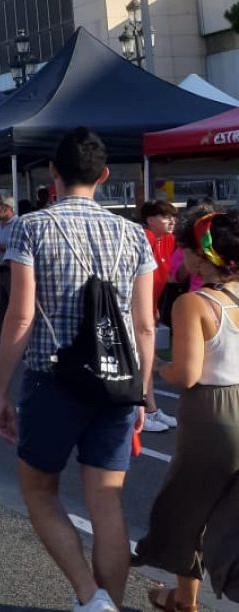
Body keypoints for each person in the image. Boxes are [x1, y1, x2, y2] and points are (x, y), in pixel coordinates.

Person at [0, 128, 157, 612]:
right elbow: (145, 326)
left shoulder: (31, 227)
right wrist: (144, 392)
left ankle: (91, 596)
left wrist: (1, 390)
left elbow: (21, 316)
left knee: (39, 490)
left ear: (53, 173)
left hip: (53, 378)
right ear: (104, 176)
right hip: (117, 382)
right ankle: (111, 604)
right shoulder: (135, 234)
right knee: (107, 501)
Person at [133, 210, 239, 610]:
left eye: (186, 251)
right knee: (231, 514)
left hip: (211, 415)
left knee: (184, 509)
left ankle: (184, 601)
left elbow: (186, 375)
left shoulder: (194, 304)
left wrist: (158, 366)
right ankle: (183, 597)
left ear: (201, 256)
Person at [141, 201, 181, 434]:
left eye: (173, 216)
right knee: (143, 361)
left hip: (149, 306)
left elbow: (170, 277)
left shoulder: (169, 240)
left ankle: (151, 409)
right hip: (134, 308)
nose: (172, 221)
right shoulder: (143, 237)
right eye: (165, 216)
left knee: (147, 360)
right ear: (149, 220)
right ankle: (144, 411)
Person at [0, 198, 18, 320]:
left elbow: (15, 246)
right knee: (4, 303)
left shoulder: (17, 224)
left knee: (13, 301)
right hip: (1, 269)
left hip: (11, 269)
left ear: (8, 208)